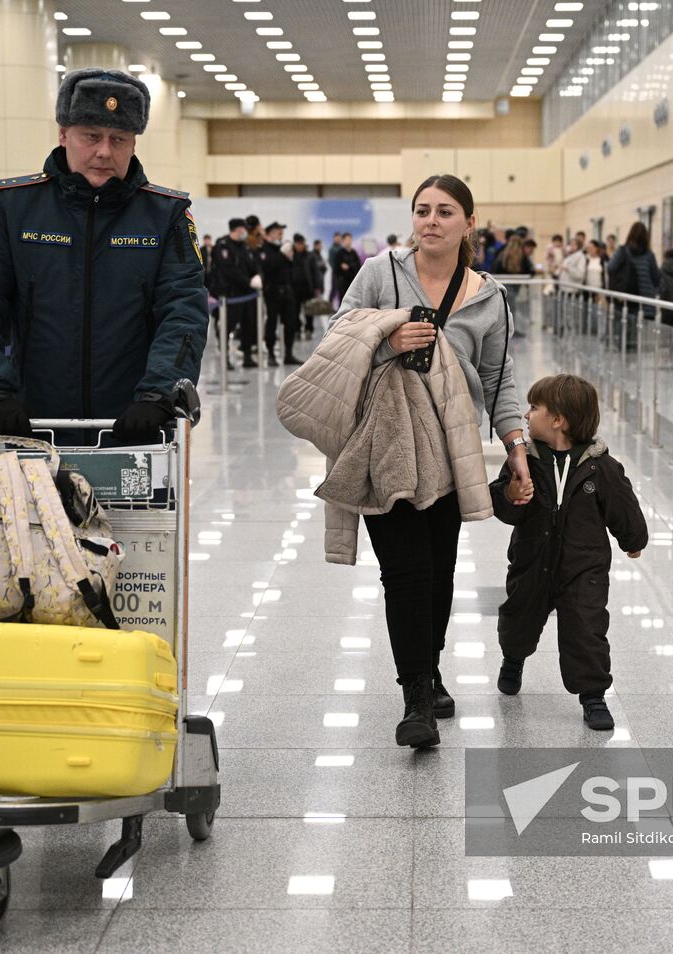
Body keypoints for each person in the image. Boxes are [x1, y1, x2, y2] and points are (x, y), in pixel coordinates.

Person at [308, 173, 527, 748]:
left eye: (446, 211)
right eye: (423, 210)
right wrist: (387, 338)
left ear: (469, 223)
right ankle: (415, 700)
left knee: (439, 571)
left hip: (453, 453)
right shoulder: (381, 272)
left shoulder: (489, 297)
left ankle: (430, 671)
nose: (431, 221)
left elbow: (502, 381)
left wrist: (517, 446)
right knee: (405, 572)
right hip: (387, 443)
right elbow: (336, 338)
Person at [0, 67, 208, 439]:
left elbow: (184, 313)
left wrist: (159, 394)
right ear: (64, 134)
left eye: (119, 138)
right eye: (92, 136)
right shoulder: (11, 207)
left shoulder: (166, 215)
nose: (104, 151)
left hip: (137, 428)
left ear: (134, 143)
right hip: (31, 426)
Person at [491, 374, 647, 730]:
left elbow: (624, 506)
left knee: (587, 631)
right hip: (531, 564)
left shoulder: (600, 466)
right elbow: (504, 505)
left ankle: (593, 695)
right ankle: (513, 658)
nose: (526, 416)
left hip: (584, 570)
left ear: (558, 420)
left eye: (534, 408)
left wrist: (633, 540)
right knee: (519, 619)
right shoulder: (523, 462)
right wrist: (510, 496)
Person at [209, 218, 259, 368]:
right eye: (244, 229)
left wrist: (258, 275)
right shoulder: (222, 246)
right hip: (230, 294)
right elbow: (228, 270)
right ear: (238, 229)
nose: (246, 232)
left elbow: (253, 264)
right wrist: (248, 281)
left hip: (247, 294)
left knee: (249, 325)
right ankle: (224, 358)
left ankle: (248, 357)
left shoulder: (244, 247)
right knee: (227, 326)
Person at [606, 221, 662, 347]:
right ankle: (635, 360)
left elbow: (610, 268)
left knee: (624, 330)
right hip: (644, 300)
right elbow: (656, 278)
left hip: (626, 297)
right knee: (639, 336)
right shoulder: (649, 255)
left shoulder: (622, 251)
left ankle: (624, 357)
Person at [257, 221, 299, 366]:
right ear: (269, 234)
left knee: (291, 323)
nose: (281, 234)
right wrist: (282, 254)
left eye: (282, 231)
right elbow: (268, 267)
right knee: (272, 322)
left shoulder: (283, 247)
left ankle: (288, 353)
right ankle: (271, 354)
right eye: (278, 231)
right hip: (272, 291)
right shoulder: (264, 249)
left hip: (287, 290)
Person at [333, 232, 360, 304]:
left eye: (350, 239)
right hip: (343, 282)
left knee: (353, 302)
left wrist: (349, 266)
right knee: (343, 301)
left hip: (353, 282)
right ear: (343, 241)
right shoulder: (340, 253)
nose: (349, 241)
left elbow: (358, 265)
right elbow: (336, 268)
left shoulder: (354, 252)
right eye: (347, 239)